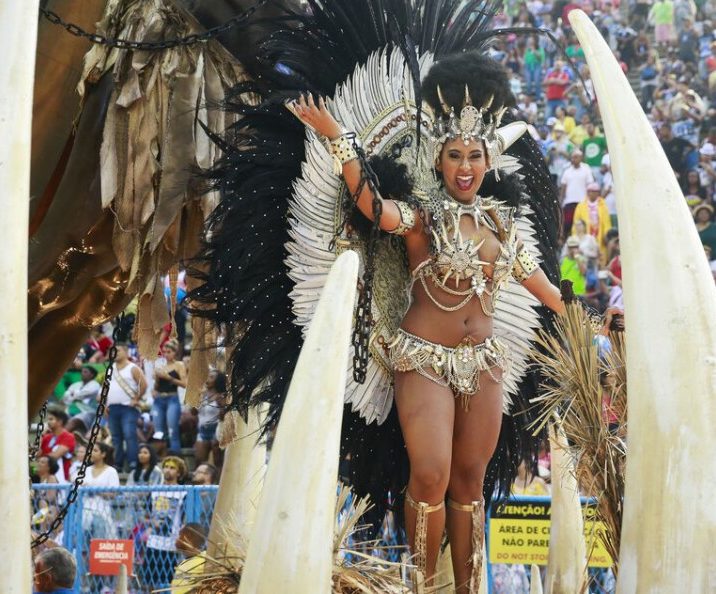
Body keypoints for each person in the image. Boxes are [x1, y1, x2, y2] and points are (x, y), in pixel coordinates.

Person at [290, 51, 617, 590]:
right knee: (432, 473)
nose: (465, 167)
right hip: (423, 359)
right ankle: (422, 586)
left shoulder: (505, 227)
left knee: (469, 484)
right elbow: (373, 208)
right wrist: (338, 137)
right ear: (439, 161)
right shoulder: (422, 217)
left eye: (475, 156)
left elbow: (550, 293)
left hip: (484, 364)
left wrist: (601, 324)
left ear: (489, 162)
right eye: (455, 155)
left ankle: (466, 589)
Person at [144, 457, 189, 590]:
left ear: (179, 473)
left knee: (169, 581)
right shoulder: (155, 490)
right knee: (149, 580)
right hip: (154, 540)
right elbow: (146, 515)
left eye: (172, 468)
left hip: (171, 543)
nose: (168, 470)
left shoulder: (184, 492)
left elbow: (184, 518)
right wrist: (151, 523)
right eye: (166, 466)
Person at [107, 343, 147, 471]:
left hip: (128, 408)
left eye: (118, 350)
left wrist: (135, 399)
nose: (115, 353)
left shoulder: (132, 368)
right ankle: (118, 463)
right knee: (115, 437)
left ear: (126, 352)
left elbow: (144, 384)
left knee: (129, 434)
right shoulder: (110, 368)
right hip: (112, 408)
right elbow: (105, 388)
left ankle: (133, 463)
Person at [152, 340, 186, 455]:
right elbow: (156, 387)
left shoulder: (179, 365)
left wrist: (168, 377)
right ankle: (158, 455)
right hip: (159, 399)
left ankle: (175, 454)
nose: (166, 354)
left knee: (172, 429)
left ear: (175, 352)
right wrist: (157, 378)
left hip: (172, 397)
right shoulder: (161, 366)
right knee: (158, 431)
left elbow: (184, 383)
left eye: (169, 352)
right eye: (165, 352)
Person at [560, 149, 597, 235]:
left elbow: (590, 186)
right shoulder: (567, 171)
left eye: (576, 157)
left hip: (582, 202)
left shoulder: (586, 169)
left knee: (582, 224)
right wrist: (561, 202)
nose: (573, 159)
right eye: (572, 157)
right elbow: (563, 189)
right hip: (569, 202)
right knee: (568, 225)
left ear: (581, 158)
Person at [194, 369, 226, 468]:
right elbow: (193, 412)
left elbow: (226, 414)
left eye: (211, 377)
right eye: (208, 376)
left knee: (217, 461)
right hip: (202, 430)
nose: (208, 379)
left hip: (215, 430)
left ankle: (218, 481)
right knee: (199, 459)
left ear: (218, 381)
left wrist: (222, 407)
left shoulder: (221, 396)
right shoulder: (202, 395)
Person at [40, 408, 77, 483]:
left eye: (51, 419)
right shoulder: (47, 437)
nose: (48, 422)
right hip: (44, 478)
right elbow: (37, 454)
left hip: (61, 480)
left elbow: (55, 456)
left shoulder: (68, 437)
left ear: (59, 422)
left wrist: (42, 458)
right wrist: (41, 437)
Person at [170, 523, 209, 594]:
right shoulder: (184, 562)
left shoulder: (204, 560)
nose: (177, 539)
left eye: (179, 535)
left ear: (188, 535)